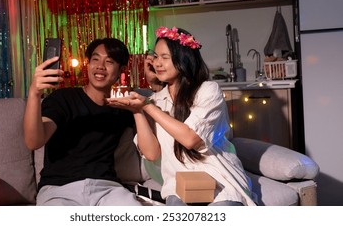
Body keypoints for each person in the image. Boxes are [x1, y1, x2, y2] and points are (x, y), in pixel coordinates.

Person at [107, 26, 256, 206]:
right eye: (156, 57)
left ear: (183, 59)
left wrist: (147, 106)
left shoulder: (207, 90)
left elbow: (190, 139)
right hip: (178, 188)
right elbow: (152, 154)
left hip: (220, 183)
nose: (157, 63)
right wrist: (137, 111)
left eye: (165, 57)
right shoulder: (155, 100)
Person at [23, 37, 142, 206]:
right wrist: (34, 93)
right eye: (95, 59)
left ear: (122, 69)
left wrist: (151, 85)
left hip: (107, 190)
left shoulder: (123, 107)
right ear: (87, 64)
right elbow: (33, 141)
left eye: (109, 61)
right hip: (59, 189)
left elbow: (151, 151)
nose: (100, 66)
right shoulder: (63, 98)